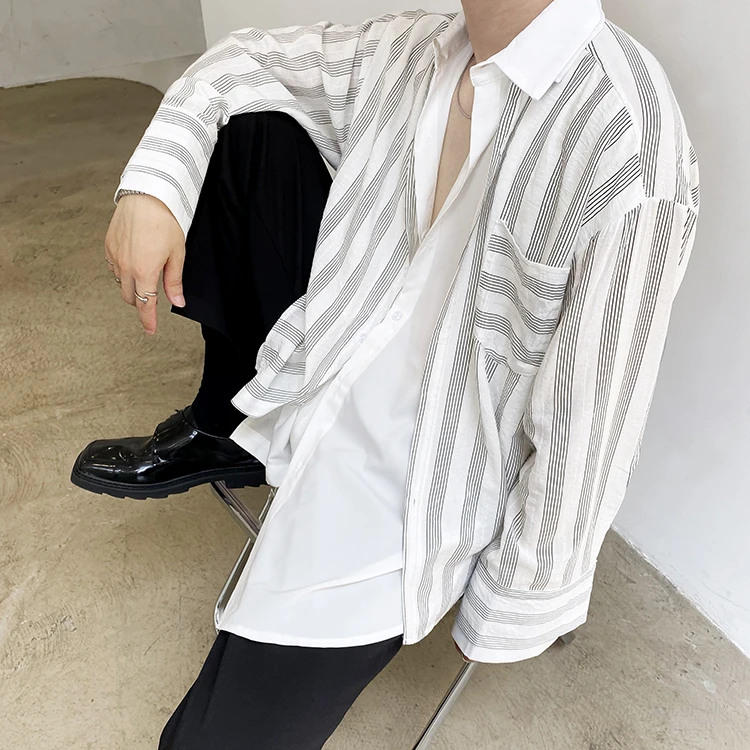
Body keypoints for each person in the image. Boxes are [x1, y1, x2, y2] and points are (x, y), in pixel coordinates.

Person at [71, 0, 701, 747]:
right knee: (247, 133)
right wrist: (153, 189)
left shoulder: (629, 144)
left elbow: (590, 423)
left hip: (418, 485)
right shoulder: (421, 45)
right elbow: (240, 61)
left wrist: (517, 599)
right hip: (325, 363)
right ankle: (225, 425)